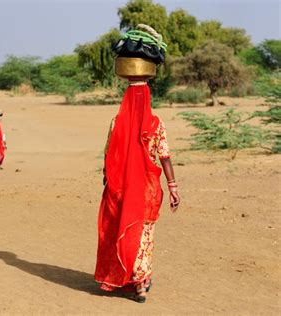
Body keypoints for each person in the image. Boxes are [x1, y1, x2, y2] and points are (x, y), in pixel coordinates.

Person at [94, 25, 180, 303]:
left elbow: (109, 157)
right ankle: (140, 284)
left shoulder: (116, 122)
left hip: (118, 187)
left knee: (119, 229)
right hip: (146, 189)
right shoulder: (155, 124)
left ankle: (123, 279)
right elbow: (165, 156)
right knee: (142, 236)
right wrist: (173, 186)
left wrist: (109, 183)